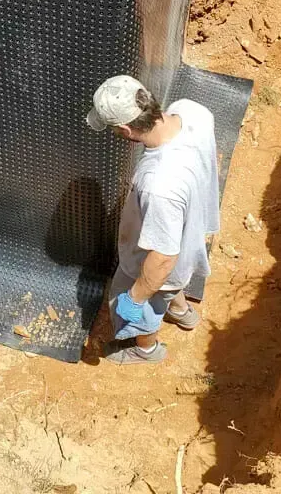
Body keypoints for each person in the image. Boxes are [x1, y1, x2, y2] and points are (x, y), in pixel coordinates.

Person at [86, 75, 219, 365]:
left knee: (139, 297)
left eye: (113, 129)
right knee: (170, 286)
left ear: (124, 128)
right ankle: (182, 313)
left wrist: (133, 299)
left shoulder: (158, 185)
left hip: (160, 261)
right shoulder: (192, 110)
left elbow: (162, 258)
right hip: (189, 234)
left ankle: (147, 349)